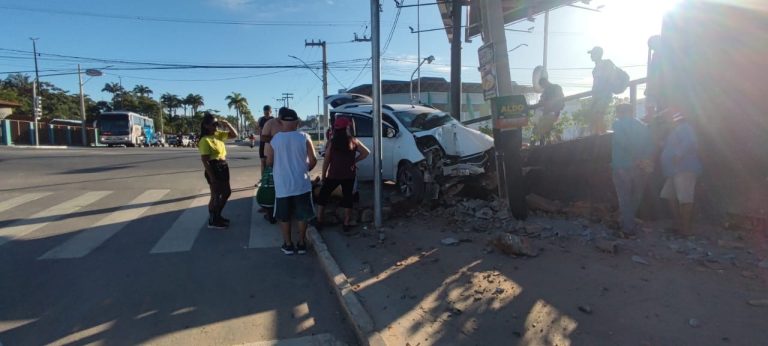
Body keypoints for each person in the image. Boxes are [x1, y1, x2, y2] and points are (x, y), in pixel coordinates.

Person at [265, 107, 318, 255]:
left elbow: (269, 162)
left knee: (284, 216)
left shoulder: (275, 140)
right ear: (297, 122)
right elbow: (313, 160)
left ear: (281, 122)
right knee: (302, 215)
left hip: (283, 185)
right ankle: (301, 243)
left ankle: (288, 245)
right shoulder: (305, 137)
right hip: (302, 183)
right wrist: (304, 170)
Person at [316, 117, 370, 232]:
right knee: (347, 197)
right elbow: (366, 152)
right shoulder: (353, 141)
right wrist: (354, 161)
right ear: (347, 127)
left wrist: (324, 174)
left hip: (334, 174)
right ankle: (346, 222)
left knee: (323, 195)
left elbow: (326, 160)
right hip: (349, 174)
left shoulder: (332, 142)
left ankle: (319, 219)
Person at [611, 104, 653, 236]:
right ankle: (627, 221)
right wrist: (642, 159)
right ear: (632, 112)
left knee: (624, 198)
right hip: (641, 166)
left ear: (619, 113)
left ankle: (628, 228)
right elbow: (650, 147)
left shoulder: (618, 124)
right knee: (636, 197)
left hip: (622, 165)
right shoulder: (643, 127)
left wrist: (634, 156)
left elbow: (623, 142)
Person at [659, 108, 702, 236]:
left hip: (684, 168)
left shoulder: (685, 128)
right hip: (674, 171)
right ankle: (679, 224)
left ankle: (685, 229)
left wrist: (678, 155)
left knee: (685, 199)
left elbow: (690, 142)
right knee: (668, 195)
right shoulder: (676, 130)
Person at [198, 112, 238, 229]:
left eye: (217, 124)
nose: (216, 126)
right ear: (206, 125)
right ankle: (213, 220)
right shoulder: (204, 140)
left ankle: (217, 215)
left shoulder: (218, 135)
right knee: (215, 195)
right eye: (213, 124)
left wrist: (227, 124)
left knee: (226, 192)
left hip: (223, 165)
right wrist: (212, 177)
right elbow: (205, 161)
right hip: (214, 167)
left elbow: (234, 135)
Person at [588, 46, 615, 136]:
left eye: (593, 53)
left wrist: (605, 88)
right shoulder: (594, 69)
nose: (591, 56)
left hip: (604, 94)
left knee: (598, 114)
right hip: (596, 95)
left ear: (598, 54)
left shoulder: (607, 63)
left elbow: (610, 78)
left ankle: (604, 136)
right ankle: (598, 135)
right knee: (593, 116)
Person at [532, 77, 565, 146]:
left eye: (543, 85)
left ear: (546, 82)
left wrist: (553, 110)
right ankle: (542, 145)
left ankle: (542, 145)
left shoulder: (556, 87)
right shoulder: (545, 91)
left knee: (545, 130)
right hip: (546, 114)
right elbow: (541, 101)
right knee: (543, 130)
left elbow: (560, 101)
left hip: (553, 113)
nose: (543, 87)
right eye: (542, 86)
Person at [257, 105, 274, 174]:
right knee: (263, 161)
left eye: (268, 112)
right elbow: (259, 130)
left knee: (271, 162)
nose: (266, 113)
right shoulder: (261, 119)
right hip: (262, 143)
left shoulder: (273, 120)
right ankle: (262, 180)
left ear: (270, 111)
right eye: (265, 112)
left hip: (271, 143)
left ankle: (272, 180)